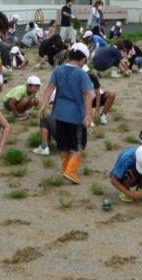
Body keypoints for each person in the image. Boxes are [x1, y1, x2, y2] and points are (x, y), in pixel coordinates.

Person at [39, 43, 93, 184]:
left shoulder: (58, 70)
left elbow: (50, 88)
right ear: (83, 60)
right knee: (79, 146)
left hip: (59, 114)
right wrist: (89, 114)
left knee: (64, 144)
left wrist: (44, 105)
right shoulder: (82, 74)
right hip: (76, 117)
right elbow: (88, 94)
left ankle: (65, 170)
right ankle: (70, 171)